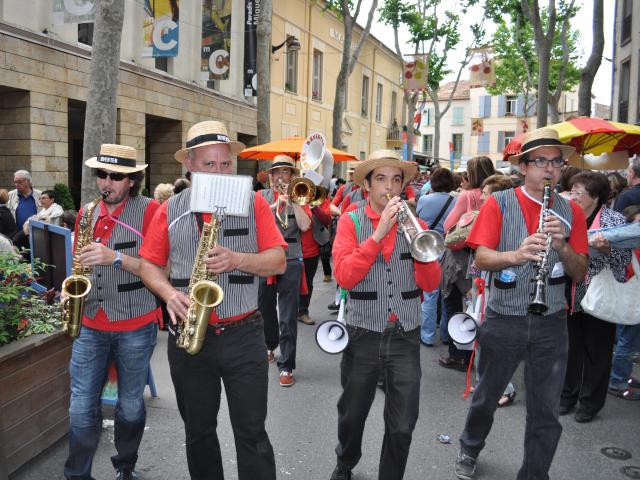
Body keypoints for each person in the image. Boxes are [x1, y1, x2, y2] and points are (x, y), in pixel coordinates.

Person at [139, 120, 286, 480]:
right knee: (199, 433)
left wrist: (239, 259)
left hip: (244, 333)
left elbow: (278, 260)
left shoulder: (254, 202)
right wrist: (169, 293)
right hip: (189, 337)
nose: (220, 171)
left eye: (225, 164)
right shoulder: (169, 209)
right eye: (209, 164)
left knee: (252, 434)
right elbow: (148, 265)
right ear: (189, 164)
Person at [454, 128, 589, 480]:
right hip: (505, 316)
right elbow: (481, 259)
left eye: (556, 162)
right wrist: (516, 254)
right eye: (541, 161)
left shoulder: (571, 211)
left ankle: (534, 473)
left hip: (552, 320)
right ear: (524, 166)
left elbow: (580, 270)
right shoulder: (499, 202)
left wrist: (562, 246)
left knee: (545, 411)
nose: (550, 169)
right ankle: (470, 447)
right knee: (487, 395)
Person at [330, 149, 441, 480]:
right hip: (363, 331)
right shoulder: (350, 222)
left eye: (396, 179)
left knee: (403, 421)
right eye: (381, 179)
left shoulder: (416, 224)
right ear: (366, 185)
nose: (389, 187)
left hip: (405, 332)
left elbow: (431, 284)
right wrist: (378, 236)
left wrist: (422, 254)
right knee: (352, 413)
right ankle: (345, 462)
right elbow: (345, 276)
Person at [64, 144, 162, 480]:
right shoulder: (87, 212)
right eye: (101, 174)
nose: (106, 182)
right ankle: (77, 475)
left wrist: (116, 258)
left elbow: (160, 267)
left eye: (116, 176)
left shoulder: (151, 212)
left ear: (132, 180)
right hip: (90, 322)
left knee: (131, 405)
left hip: (136, 323)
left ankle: (126, 467)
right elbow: (80, 262)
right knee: (80, 408)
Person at [559, 171, 631, 422]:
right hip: (570, 289)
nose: (573, 195)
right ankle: (567, 396)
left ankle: (590, 403)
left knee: (597, 350)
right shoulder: (566, 215)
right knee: (569, 347)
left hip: (599, 291)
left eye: (578, 191)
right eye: (572, 190)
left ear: (595, 196)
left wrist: (608, 248)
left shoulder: (612, 219)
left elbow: (625, 260)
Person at [258, 155, 312, 385]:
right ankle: (270, 344)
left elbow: (305, 225)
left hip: (290, 258)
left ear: (292, 176)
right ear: (270, 176)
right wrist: (274, 204)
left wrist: (292, 200)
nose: (280, 176)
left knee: (288, 314)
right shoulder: (260, 196)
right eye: (276, 172)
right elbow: (254, 221)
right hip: (264, 257)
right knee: (263, 308)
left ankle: (287, 365)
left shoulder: (299, 195)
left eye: (285, 172)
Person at [439, 156, 496, 371]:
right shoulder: (498, 193)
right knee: (480, 305)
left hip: (462, 258)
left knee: (455, 305)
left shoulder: (467, 196)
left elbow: (448, 224)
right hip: (487, 254)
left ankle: (460, 353)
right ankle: (478, 351)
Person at [416, 167, 457, 346]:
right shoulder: (455, 201)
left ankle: (427, 335)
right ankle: (448, 335)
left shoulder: (424, 199)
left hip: (428, 247)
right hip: (448, 249)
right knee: (447, 293)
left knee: (430, 294)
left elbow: (418, 219)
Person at [608, 205, 640, 401]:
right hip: (631, 299)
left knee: (626, 341)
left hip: (631, 298)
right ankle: (617, 381)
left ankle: (622, 376)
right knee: (626, 343)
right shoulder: (631, 248)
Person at [298, 192, 332, 325]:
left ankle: (302, 312)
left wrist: (314, 206)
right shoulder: (292, 194)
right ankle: (290, 311)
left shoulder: (320, 197)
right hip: (291, 249)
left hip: (311, 249)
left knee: (307, 283)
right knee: (289, 284)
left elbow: (326, 220)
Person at [8, 170, 42, 251]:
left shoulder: (40, 195)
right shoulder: (10, 195)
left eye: (20, 182)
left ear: (29, 181)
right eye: (15, 182)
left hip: (37, 236)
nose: (17, 185)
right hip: (16, 237)